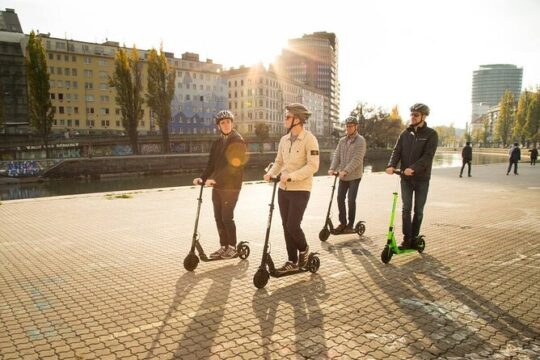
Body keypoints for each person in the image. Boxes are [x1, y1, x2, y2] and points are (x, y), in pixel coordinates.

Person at [264, 103, 320, 274]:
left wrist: (291, 176)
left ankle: (304, 249)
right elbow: (279, 162)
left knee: (293, 225)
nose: (285, 119)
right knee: (285, 225)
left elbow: (313, 166)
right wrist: (270, 173)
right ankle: (292, 260)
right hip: (283, 189)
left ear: (298, 119)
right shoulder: (284, 139)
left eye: (288, 117)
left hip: (301, 189)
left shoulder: (309, 139)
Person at [193, 110, 247, 259]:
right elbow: (211, 164)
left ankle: (232, 247)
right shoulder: (217, 143)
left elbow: (234, 166)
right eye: (222, 123)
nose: (226, 125)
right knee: (218, 217)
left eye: (228, 122)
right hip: (217, 186)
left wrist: (216, 180)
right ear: (218, 126)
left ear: (232, 123)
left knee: (226, 217)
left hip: (231, 186)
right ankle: (223, 246)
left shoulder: (238, 140)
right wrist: (202, 178)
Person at [385, 103, 438, 249]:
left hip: (422, 179)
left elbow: (428, 157)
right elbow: (397, 151)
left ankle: (415, 237)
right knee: (406, 209)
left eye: (416, 115)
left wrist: (413, 168)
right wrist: (391, 165)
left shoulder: (431, 134)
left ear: (423, 116)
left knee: (418, 211)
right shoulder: (405, 134)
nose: (413, 117)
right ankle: (407, 239)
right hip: (406, 179)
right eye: (412, 114)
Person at [328, 116, 367, 232]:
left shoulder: (361, 140)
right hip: (343, 176)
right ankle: (342, 223)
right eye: (347, 126)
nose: (349, 128)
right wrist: (332, 168)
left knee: (351, 200)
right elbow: (337, 156)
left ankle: (350, 225)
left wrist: (346, 171)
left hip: (354, 176)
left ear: (356, 127)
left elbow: (357, 159)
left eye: (351, 126)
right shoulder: (342, 141)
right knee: (340, 198)